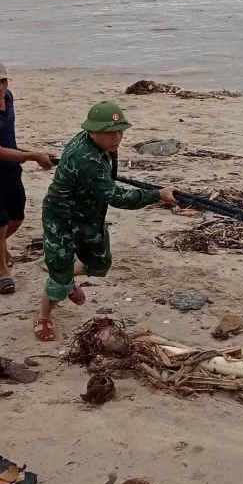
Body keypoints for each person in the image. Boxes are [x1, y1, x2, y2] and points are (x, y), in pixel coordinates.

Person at [36, 101, 178, 341]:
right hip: (61, 216)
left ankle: (66, 278)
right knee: (59, 276)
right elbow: (117, 197)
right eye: (110, 133)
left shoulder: (103, 146)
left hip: (89, 212)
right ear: (93, 132)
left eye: (120, 131)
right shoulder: (86, 159)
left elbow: (106, 184)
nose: (117, 138)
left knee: (100, 264)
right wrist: (157, 195)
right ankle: (44, 317)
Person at [0, 60, 56, 295]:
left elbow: (8, 141)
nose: (1, 87)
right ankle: (3, 272)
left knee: (16, 219)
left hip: (11, 171)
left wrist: (31, 155)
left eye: (4, 81)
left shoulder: (9, 98)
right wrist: (34, 155)